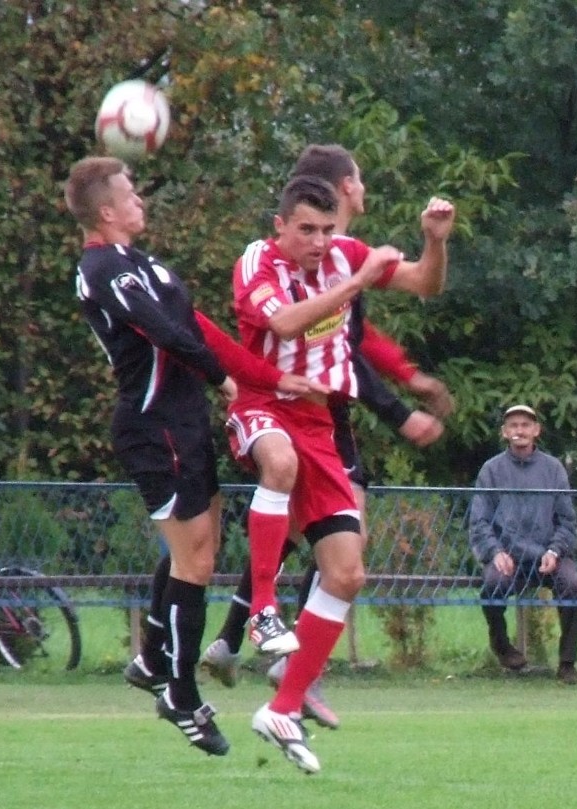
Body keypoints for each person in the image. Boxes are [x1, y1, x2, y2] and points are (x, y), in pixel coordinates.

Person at [63, 156, 320, 757]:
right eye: (131, 195)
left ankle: (153, 658)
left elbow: (196, 326)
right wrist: (223, 380)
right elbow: (166, 334)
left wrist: (262, 378)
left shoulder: (142, 263)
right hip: (153, 426)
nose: (140, 202)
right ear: (107, 212)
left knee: (198, 552)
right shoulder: (102, 269)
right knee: (194, 561)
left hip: (182, 423)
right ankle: (178, 692)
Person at [200, 144, 454, 728]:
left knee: (347, 569)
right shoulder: (258, 262)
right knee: (279, 466)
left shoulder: (346, 255)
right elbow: (285, 322)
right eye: (306, 230)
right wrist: (361, 281)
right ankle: (261, 612)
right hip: (266, 402)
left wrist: (435, 241)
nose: (318, 242)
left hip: (322, 420)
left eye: (324, 231)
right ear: (281, 226)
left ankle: (284, 700)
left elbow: (423, 284)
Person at [468, 404, 577, 684]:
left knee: (574, 586)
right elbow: (479, 521)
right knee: (492, 586)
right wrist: (495, 552)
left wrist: (555, 550)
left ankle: (567, 662)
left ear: (536, 430)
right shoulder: (491, 470)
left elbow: (567, 521)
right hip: (508, 555)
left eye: (525, 425)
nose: (519, 431)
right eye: (513, 426)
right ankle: (501, 645)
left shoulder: (553, 469)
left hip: (549, 553)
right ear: (504, 432)